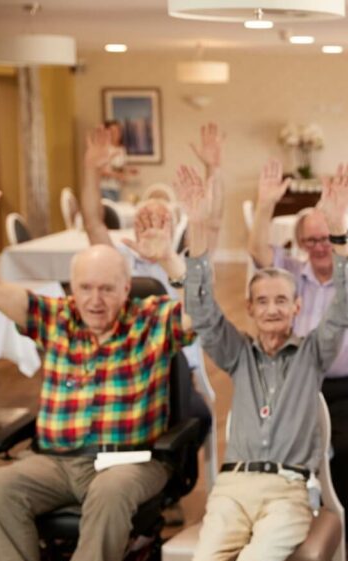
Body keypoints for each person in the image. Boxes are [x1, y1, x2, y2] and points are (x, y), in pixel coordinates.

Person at [0, 187, 193, 561]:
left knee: (111, 490)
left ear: (127, 287)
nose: (95, 300)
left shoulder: (152, 320)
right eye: (86, 288)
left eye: (107, 288)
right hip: (56, 460)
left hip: (133, 461)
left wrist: (174, 265)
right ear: (71, 290)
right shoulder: (53, 318)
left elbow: (204, 317)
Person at [178, 160, 348, 561]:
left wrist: (340, 228)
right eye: (263, 301)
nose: (274, 308)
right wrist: (197, 232)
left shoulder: (313, 354)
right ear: (252, 310)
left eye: (283, 300)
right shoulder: (237, 355)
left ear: (298, 308)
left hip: (287, 492)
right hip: (232, 490)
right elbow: (205, 312)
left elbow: (345, 309)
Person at [248, 159, 348, 561]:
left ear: (337, 236)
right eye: (310, 239)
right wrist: (265, 206)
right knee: (277, 450)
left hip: (346, 386)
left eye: (325, 236)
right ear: (300, 244)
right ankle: (285, 531)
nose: (318, 245)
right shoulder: (290, 275)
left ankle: (343, 536)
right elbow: (258, 252)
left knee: (347, 452)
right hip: (295, 382)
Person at [82, 123, 221, 524]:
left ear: (173, 223)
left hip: (178, 370)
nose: (153, 221)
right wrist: (92, 171)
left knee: (194, 417)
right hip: (125, 372)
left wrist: (213, 171)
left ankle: (167, 485)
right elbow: (93, 221)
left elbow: (209, 220)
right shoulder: (116, 261)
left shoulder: (187, 257)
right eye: (146, 214)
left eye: (163, 216)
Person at [98, 120, 131, 201]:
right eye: (112, 131)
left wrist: (127, 172)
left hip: (116, 188)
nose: (116, 134)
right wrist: (117, 175)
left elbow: (120, 167)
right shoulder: (104, 149)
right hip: (105, 188)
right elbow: (101, 171)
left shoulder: (121, 149)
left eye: (118, 130)